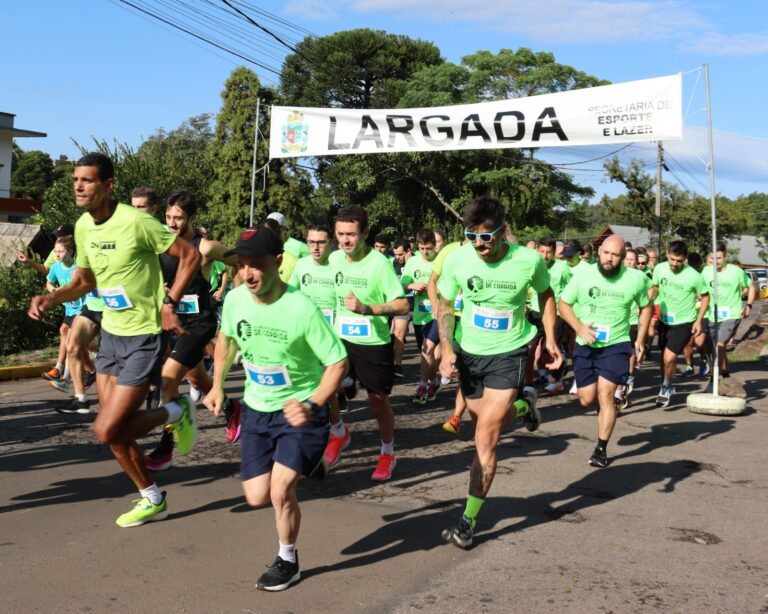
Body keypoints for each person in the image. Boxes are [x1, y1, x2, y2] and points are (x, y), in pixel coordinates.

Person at [27, 152, 200, 528]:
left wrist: (169, 303)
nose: (78, 186)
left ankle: (176, 411)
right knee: (115, 434)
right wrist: (51, 298)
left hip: (143, 336)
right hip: (111, 336)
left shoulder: (137, 221)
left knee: (107, 427)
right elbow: (85, 281)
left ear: (108, 185)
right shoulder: (83, 227)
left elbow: (190, 256)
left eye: (87, 180)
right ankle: (153, 499)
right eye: (76, 180)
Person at [204, 224, 348, 591]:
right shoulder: (235, 299)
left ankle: (288, 560)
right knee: (256, 495)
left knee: (280, 490)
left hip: (299, 409)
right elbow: (226, 340)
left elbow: (337, 363)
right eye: (242, 265)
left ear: (278, 261)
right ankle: (309, 462)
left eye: (257, 264)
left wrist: (313, 403)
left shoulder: (301, 308)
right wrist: (217, 385)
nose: (248, 273)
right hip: (256, 408)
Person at [436, 196, 561, 549]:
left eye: (486, 237)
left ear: (503, 232)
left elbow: (546, 294)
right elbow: (444, 303)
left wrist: (551, 338)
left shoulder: (528, 260)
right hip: (471, 354)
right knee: (483, 422)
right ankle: (525, 405)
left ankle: (467, 521)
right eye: (471, 236)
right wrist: (447, 348)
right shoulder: (458, 259)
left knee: (486, 436)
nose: (479, 244)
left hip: (510, 352)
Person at [144, 189, 241, 472]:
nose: (172, 223)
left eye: (178, 218)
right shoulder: (161, 244)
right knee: (197, 379)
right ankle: (232, 407)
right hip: (174, 322)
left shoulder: (206, 247)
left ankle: (166, 446)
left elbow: (241, 261)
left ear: (192, 217)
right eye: (168, 217)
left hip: (199, 324)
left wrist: (242, 293)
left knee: (168, 379)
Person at [558, 235, 652, 467]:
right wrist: (579, 328)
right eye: (606, 253)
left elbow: (646, 306)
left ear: (623, 257)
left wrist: (640, 338)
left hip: (616, 345)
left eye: (615, 255)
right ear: (599, 252)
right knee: (586, 399)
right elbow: (564, 303)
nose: (610, 259)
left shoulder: (635, 279)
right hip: (586, 345)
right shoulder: (583, 275)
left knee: (606, 394)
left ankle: (600, 449)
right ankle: (606, 405)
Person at [331, 205, 408, 480]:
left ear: (365, 233)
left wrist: (368, 309)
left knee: (377, 401)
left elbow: (401, 305)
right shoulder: (334, 259)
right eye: (340, 234)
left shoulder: (379, 264)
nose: (345, 240)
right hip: (340, 338)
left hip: (373, 342)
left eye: (351, 234)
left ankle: (387, 452)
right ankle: (338, 432)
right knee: (323, 386)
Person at [288, 222, 350, 468]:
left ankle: (330, 435)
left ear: (330, 243)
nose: (315, 247)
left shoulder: (338, 265)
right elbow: (291, 296)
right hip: (304, 336)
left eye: (321, 242)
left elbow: (345, 303)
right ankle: (337, 430)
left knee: (323, 388)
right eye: (311, 242)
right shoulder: (301, 265)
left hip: (330, 338)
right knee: (306, 386)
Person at [651, 240, 709, 408]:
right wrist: (647, 303)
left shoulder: (694, 276)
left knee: (669, 357)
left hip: (684, 322)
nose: (675, 264)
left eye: (679, 260)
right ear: (667, 254)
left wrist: (699, 320)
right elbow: (655, 288)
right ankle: (667, 382)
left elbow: (705, 297)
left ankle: (666, 387)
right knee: (664, 359)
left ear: (685, 259)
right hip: (664, 320)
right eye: (672, 259)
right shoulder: (659, 268)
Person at [701, 243, 755, 378]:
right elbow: (700, 290)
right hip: (712, 315)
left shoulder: (736, 271)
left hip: (731, 314)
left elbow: (751, 287)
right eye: (713, 258)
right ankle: (725, 372)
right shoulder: (706, 271)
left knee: (719, 344)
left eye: (719, 258)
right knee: (717, 346)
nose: (715, 261)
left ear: (725, 257)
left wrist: (748, 306)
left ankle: (714, 378)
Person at [401, 229, 441, 404]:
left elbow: (452, 287)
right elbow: (402, 285)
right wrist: (412, 286)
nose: (425, 252)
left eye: (429, 248)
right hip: (419, 315)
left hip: (438, 314)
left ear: (435, 245)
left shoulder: (441, 260)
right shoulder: (412, 262)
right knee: (426, 354)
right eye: (422, 248)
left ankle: (422, 386)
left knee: (427, 349)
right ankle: (434, 381)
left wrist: (434, 289)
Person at [43, 235, 84, 386]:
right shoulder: (55, 268)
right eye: (55, 251)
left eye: (61, 251)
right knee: (66, 333)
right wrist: (54, 290)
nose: (57, 254)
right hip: (69, 309)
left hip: (83, 308)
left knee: (69, 337)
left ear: (70, 252)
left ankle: (63, 376)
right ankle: (97, 356)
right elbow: (49, 283)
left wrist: (70, 291)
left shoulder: (78, 267)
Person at [535, 237, 573, 395]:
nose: (545, 256)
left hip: (555, 314)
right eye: (542, 251)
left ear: (554, 252)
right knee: (530, 350)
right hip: (535, 312)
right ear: (537, 250)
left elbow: (572, 287)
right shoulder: (534, 265)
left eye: (549, 252)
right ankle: (539, 376)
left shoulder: (562, 268)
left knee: (550, 348)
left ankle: (557, 380)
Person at [390, 238, 412, 378]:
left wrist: (410, 264)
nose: (397, 257)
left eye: (400, 254)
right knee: (399, 333)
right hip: (402, 304)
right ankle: (397, 365)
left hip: (419, 305)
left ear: (408, 251)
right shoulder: (393, 264)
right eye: (395, 254)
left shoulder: (417, 261)